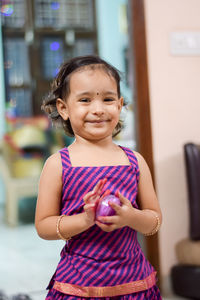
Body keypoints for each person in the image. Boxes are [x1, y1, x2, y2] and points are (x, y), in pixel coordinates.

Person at [35, 55, 162, 300]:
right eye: (84, 100)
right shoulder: (58, 165)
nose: (98, 109)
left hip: (135, 284)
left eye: (108, 99)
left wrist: (131, 216)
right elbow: (44, 226)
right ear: (64, 108)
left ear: (120, 104)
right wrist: (86, 219)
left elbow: (154, 221)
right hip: (77, 286)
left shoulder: (134, 161)